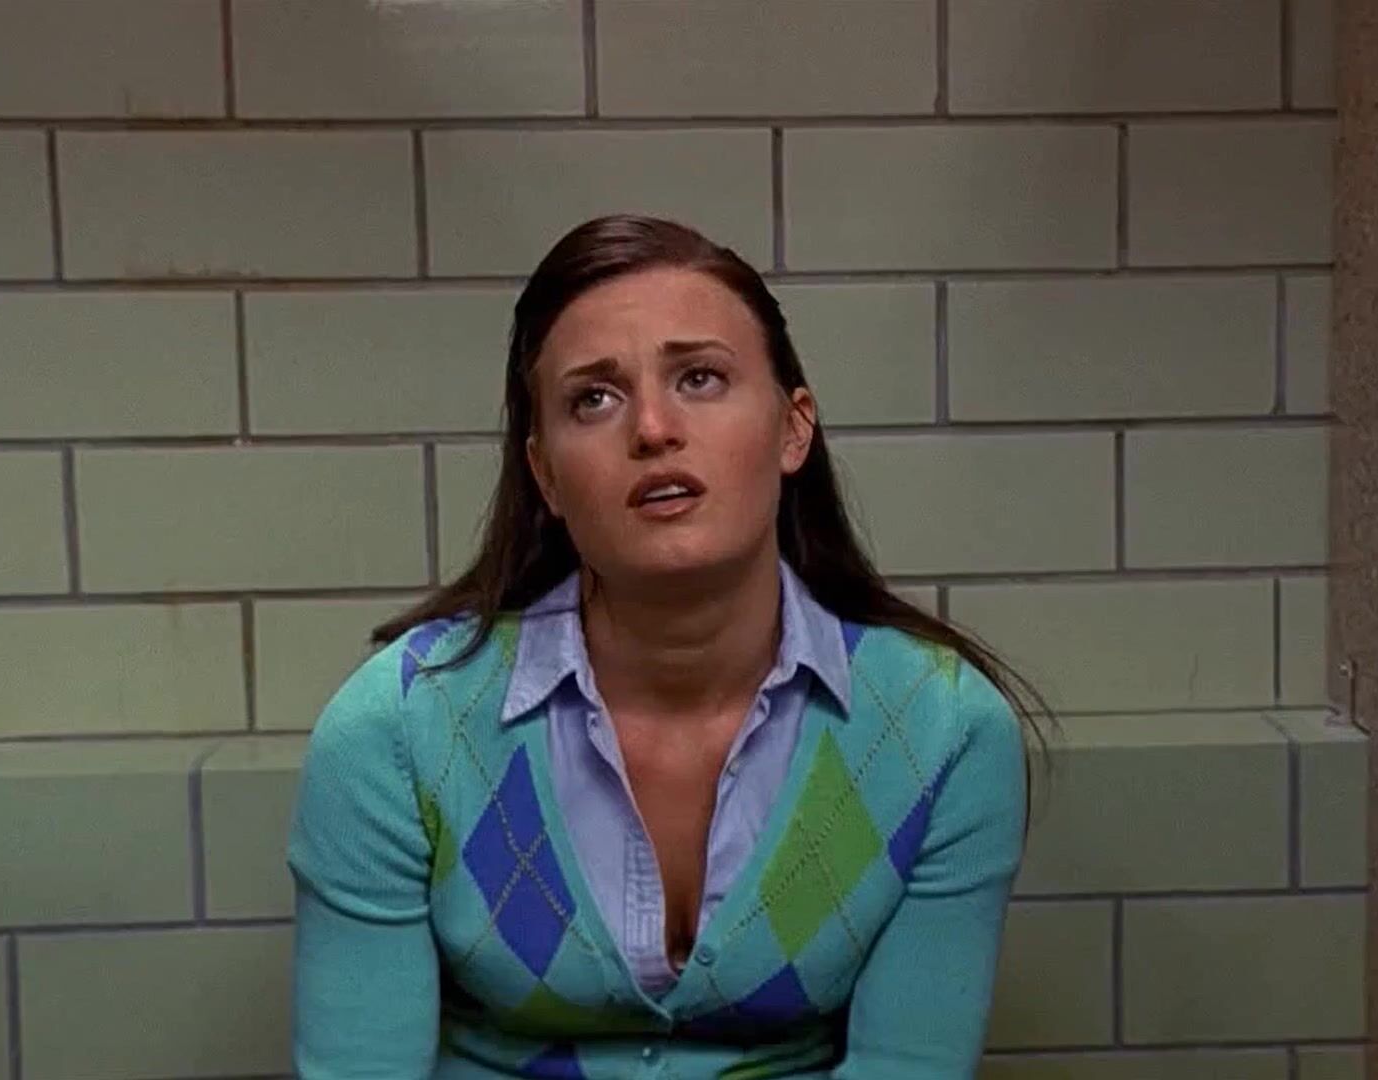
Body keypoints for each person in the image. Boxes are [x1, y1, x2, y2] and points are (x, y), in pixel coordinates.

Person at [288, 214, 1048, 1079]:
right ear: (546, 474)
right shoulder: (393, 732)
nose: (652, 428)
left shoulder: (943, 732)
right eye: (594, 399)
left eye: (700, 378)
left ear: (793, 429)